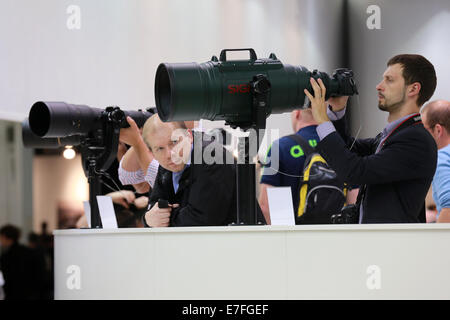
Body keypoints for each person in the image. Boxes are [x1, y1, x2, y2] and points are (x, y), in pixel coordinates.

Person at [305, 54, 437, 223]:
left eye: (389, 80)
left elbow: (355, 171)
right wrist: (337, 111)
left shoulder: (415, 140)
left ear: (413, 89)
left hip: (393, 244)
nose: (379, 86)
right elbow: (349, 149)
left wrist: (322, 120)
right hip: (380, 242)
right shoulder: (395, 134)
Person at [141, 115, 246, 227]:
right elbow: (155, 206)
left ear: (189, 136)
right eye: (160, 149)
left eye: (175, 142)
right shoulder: (170, 162)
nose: (169, 154)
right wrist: (148, 219)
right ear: (152, 152)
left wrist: (166, 219)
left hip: (240, 241)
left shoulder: (212, 156)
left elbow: (201, 220)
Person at [258, 109, 320, 224]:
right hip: (335, 235)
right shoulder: (340, 145)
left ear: (297, 113)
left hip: (294, 236)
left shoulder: (280, 147)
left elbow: (266, 206)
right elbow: (354, 199)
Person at [420, 99, 450, 223]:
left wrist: (432, 239)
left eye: (423, 131)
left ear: (438, 130)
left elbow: (449, 207)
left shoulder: (441, 157)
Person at [0, 225, 47, 299]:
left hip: (14, 295)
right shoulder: (29, 252)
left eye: (1, 237)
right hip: (31, 294)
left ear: (5, 237)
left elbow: (7, 279)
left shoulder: (6, 256)